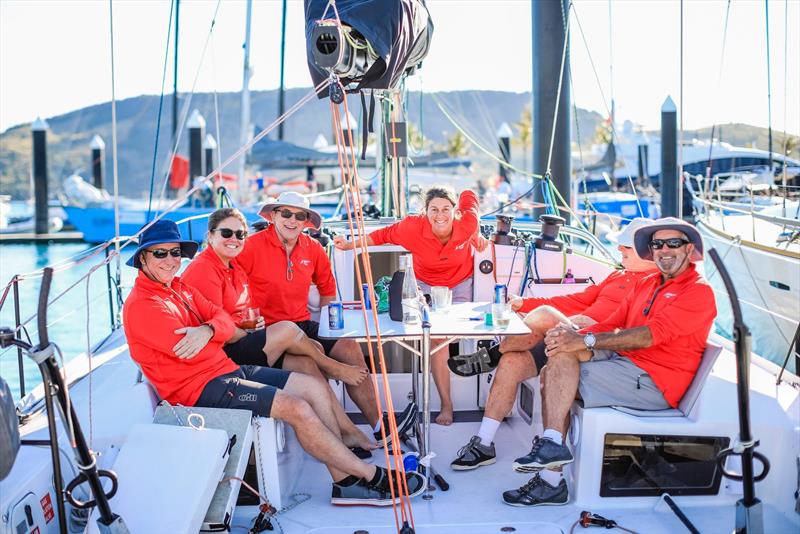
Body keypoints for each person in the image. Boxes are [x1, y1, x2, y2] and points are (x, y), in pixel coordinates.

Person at [122, 219, 425, 505]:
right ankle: (366, 476)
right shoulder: (143, 306)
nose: (170, 260)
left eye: (175, 253)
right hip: (199, 389)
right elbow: (190, 351)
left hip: (227, 371)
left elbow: (223, 320)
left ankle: (342, 475)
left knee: (312, 387)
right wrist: (218, 331)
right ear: (142, 260)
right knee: (299, 408)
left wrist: (209, 329)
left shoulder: (179, 288)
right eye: (160, 253)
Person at [500, 217, 716, 507]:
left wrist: (586, 342)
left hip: (655, 381)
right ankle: (552, 448)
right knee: (560, 353)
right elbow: (614, 322)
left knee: (555, 372)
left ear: (689, 250)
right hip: (625, 363)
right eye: (657, 244)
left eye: (673, 243)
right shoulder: (648, 284)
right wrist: (573, 336)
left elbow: (651, 335)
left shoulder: (699, 292)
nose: (664, 249)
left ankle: (552, 477)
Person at [449, 218, 657, 471]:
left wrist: (583, 327)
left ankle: (491, 354)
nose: (619, 250)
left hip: (592, 343)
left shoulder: (653, 284)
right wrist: (523, 304)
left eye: (627, 247)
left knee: (546, 315)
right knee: (512, 361)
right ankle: (484, 442)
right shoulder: (617, 276)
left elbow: (632, 329)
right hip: (569, 333)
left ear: (648, 252)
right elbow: (576, 300)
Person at [182, 208, 375, 455]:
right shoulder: (206, 268)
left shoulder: (232, 266)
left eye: (240, 234)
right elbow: (217, 325)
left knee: (309, 360)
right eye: (227, 233)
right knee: (287, 330)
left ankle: (346, 433)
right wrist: (244, 329)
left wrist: (247, 324)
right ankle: (332, 367)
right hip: (226, 351)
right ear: (210, 236)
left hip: (255, 335)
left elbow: (326, 289)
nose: (235, 239)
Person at [236, 192, 416, 447]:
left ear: (306, 221)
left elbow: (327, 292)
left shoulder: (314, 248)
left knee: (349, 347)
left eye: (299, 216)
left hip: (301, 323)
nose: (292, 220)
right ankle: (344, 434)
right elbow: (226, 277)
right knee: (312, 360)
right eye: (286, 213)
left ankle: (380, 426)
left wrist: (331, 329)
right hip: (268, 332)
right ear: (273, 215)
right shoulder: (250, 246)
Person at [333, 185, 489, 425]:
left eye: (446, 209)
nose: (440, 215)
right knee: (437, 339)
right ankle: (447, 404)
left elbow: (468, 194)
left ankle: (469, 363)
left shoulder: (466, 223)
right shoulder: (412, 227)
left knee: (461, 332)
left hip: (460, 283)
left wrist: (476, 233)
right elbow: (380, 236)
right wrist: (347, 246)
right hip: (425, 284)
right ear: (425, 211)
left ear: (455, 211)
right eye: (434, 209)